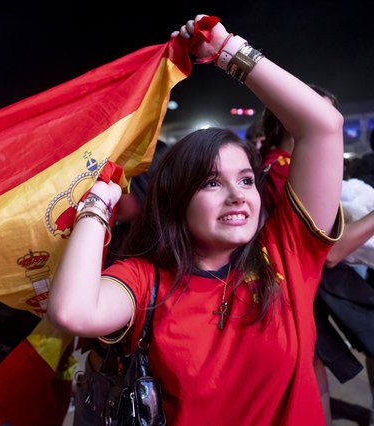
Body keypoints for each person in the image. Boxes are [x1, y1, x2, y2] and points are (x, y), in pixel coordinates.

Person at [48, 14, 344, 425]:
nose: (238, 194)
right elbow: (73, 312)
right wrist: (99, 198)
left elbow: (324, 126)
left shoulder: (285, 256)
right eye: (210, 183)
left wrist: (226, 50)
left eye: (245, 179)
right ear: (177, 200)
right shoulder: (145, 279)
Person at [262, 86, 374, 425]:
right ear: (285, 117)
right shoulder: (283, 171)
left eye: (334, 119)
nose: (330, 125)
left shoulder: (288, 166)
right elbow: (331, 251)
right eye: (320, 115)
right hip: (304, 287)